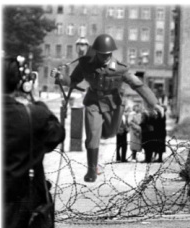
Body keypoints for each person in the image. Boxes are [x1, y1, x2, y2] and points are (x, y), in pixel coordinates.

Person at [51, 34, 163, 182]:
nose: (104, 57)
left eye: (107, 54)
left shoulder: (120, 69)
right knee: (92, 134)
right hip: (93, 101)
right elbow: (72, 81)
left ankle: (100, 147)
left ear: (111, 53)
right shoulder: (86, 64)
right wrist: (60, 77)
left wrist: (154, 103)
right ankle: (91, 170)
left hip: (113, 104)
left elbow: (138, 85)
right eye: (101, 54)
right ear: (95, 51)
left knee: (110, 133)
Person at [3, 56, 65, 228]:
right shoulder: (34, 115)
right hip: (23, 208)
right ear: (21, 83)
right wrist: (35, 99)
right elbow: (57, 134)